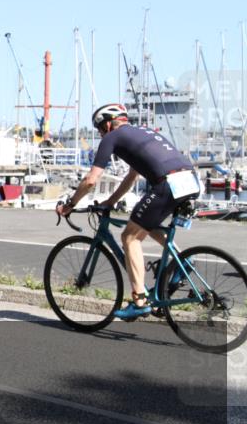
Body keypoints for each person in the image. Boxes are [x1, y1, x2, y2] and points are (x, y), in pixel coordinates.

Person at [56, 104, 199, 320]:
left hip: (167, 184)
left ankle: (140, 300)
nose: (100, 135)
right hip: (191, 179)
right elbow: (133, 176)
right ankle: (182, 261)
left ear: (106, 124)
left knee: (129, 237)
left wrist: (70, 204)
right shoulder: (143, 131)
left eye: (99, 130)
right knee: (145, 224)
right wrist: (110, 201)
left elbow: (91, 180)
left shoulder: (112, 138)